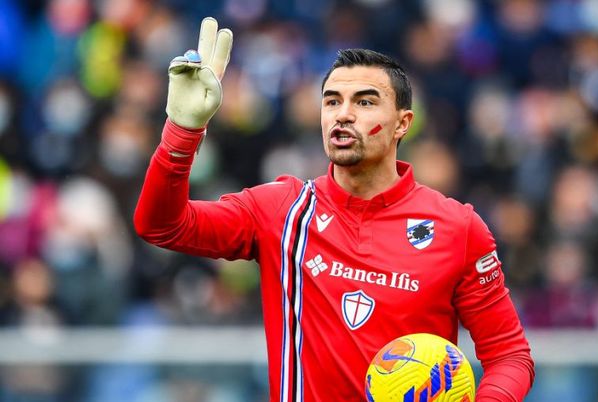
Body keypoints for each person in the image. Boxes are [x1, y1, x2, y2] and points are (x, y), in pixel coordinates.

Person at [134, 17, 534, 402]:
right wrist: (183, 130)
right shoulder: (281, 210)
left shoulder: (457, 227)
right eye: (332, 101)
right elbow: (161, 226)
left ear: (402, 123)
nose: (343, 113)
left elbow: (509, 355)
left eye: (365, 101)